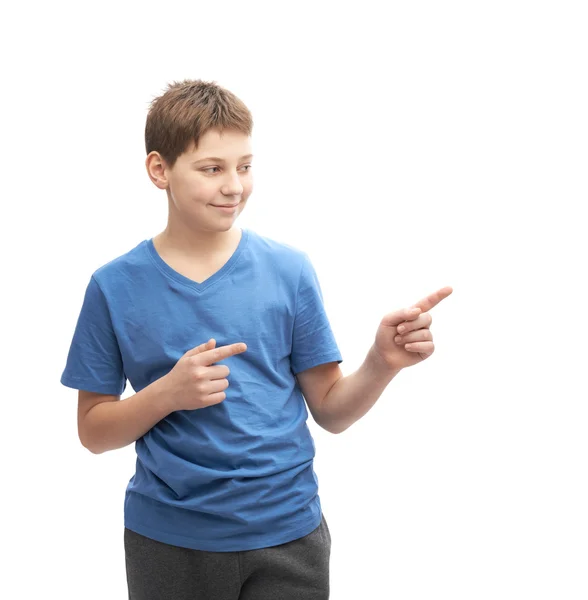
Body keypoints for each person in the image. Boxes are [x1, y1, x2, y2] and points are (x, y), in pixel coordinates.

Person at [61, 78, 452, 599]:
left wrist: (382, 362)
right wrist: (167, 394)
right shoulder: (113, 286)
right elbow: (93, 431)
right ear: (160, 169)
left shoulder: (289, 270)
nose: (234, 186)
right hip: (169, 540)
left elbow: (331, 412)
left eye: (245, 166)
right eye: (212, 169)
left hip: (290, 534)